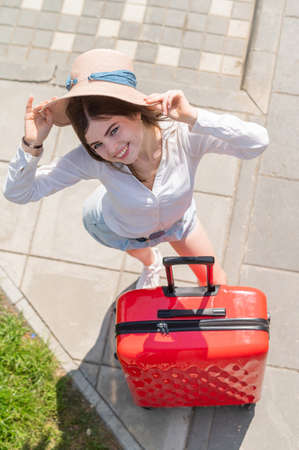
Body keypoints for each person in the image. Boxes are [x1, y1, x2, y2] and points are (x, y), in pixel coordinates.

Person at [3, 49, 269, 289]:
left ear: (136, 111)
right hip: (117, 227)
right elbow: (19, 193)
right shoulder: (93, 159)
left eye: (114, 130)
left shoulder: (184, 135)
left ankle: (152, 260)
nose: (111, 149)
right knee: (142, 252)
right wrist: (32, 144)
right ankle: (150, 263)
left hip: (179, 223)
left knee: (215, 281)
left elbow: (257, 143)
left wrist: (195, 117)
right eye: (97, 143)